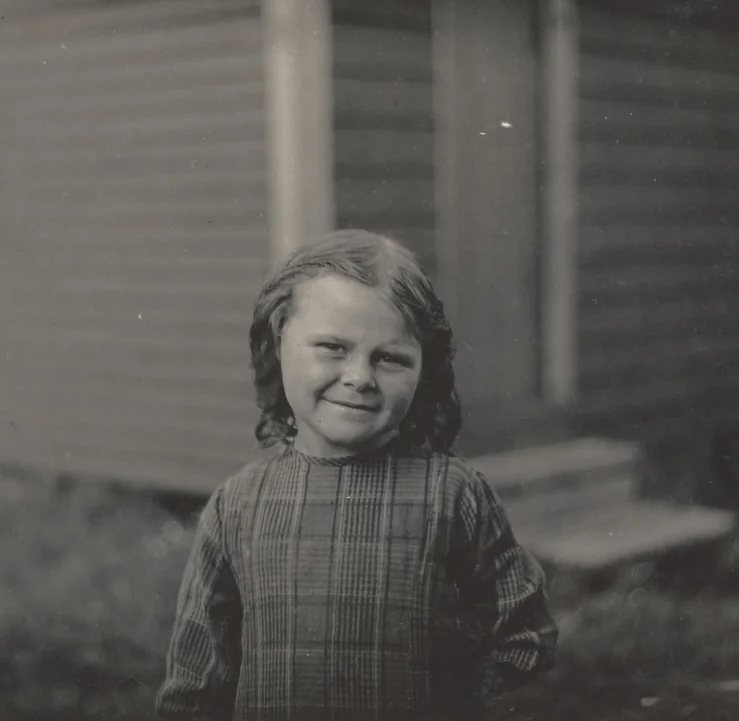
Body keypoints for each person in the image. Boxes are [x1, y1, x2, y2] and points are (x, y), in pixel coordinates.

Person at [156, 229, 558, 721]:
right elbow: (195, 683)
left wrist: (454, 700)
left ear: (424, 371)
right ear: (278, 342)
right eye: (332, 347)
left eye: (390, 358)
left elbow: (525, 636)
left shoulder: (453, 495)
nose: (360, 377)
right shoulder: (237, 505)